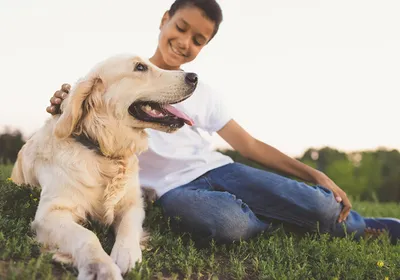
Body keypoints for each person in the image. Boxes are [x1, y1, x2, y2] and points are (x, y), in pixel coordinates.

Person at [47, 0, 399, 244]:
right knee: (228, 225)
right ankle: (286, 223)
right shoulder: (121, 73)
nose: (184, 42)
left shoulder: (198, 89)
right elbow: (84, 108)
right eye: (181, 28)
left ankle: (365, 227)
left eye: (197, 40)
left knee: (324, 205)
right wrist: (62, 103)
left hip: (221, 171)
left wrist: (314, 174)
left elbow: (249, 146)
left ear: (205, 45)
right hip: (172, 192)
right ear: (164, 19)